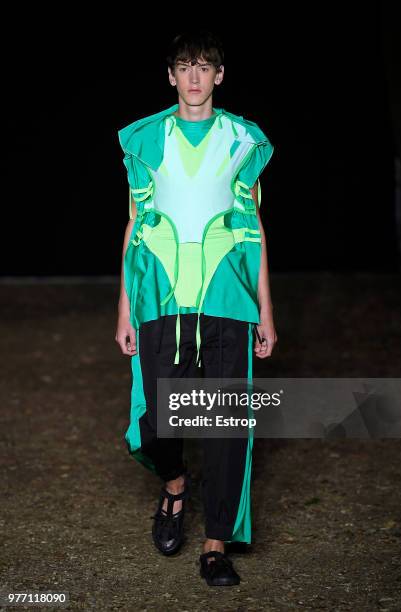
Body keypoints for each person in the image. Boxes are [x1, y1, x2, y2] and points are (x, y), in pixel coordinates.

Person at [115, 29, 278, 587]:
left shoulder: (243, 141)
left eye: (204, 67)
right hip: (159, 295)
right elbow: (135, 226)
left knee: (226, 425)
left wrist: (266, 313)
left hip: (227, 299)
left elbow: (253, 229)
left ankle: (215, 543)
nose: (193, 77)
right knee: (157, 423)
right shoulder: (144, 140)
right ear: (170, 76)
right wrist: (122, 312)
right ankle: (176, 487)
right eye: (184, 66)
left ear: (219, 76)